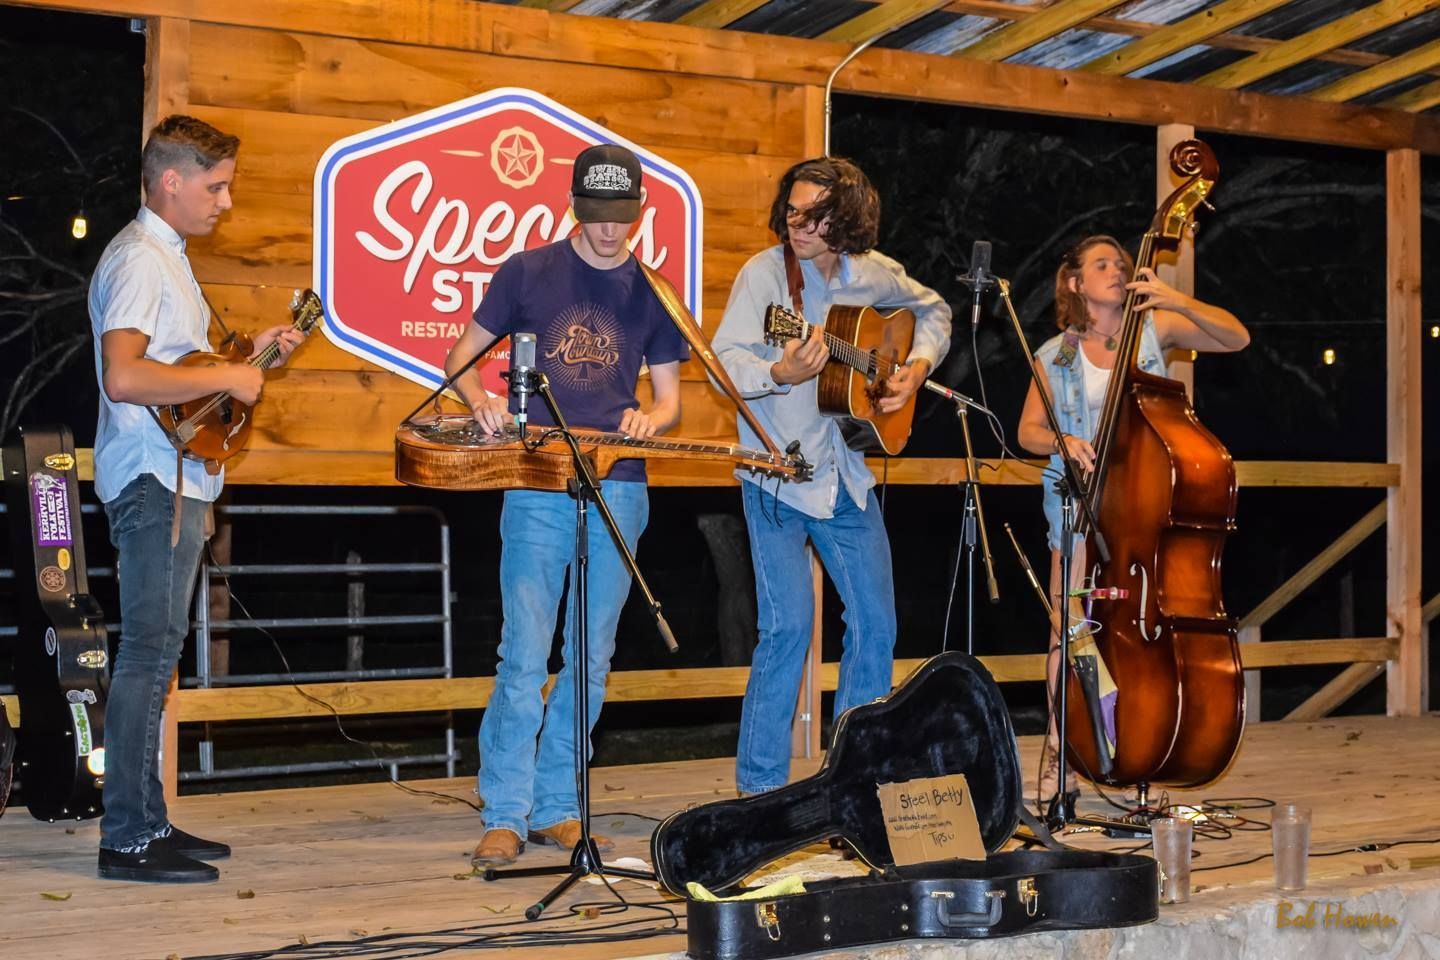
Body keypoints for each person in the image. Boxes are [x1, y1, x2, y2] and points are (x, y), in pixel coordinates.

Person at [447, 144, 688, 866]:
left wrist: (650, 417)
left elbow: (670, 401)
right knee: (523, 651)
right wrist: (482, 402)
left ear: (639, 211)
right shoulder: (529, 271)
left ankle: (558, 806)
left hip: (620, 482)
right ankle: (505, 811)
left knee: (591, 654)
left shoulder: (654, 291)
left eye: (622, 216)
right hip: (536, 481)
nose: (609, 231)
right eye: (596, 215)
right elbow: (459, 359)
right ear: (575, 206)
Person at [91, 115, 302, 882]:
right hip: (153, 480)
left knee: (159, 653)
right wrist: (228, 376)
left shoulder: (169, 259)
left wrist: (248, 358)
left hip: (176, 478)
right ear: (171, 181)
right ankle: (126, 838)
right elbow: (124, 377)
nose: (226, 202)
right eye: (216, 187)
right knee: (147, 653)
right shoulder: (140, 259)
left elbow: (180, 370)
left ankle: (148, 822)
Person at [711, 157, 952, 797]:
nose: (797, 224)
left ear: (845, 219)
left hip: (845, 473)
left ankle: (851, 783)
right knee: (787, 628)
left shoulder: (871, 274)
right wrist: (780, 373)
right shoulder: (765, 276)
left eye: (813, 215)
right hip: (776, 473)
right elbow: (722, 363)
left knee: (876, 624)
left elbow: (934, 311)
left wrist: (914, 369)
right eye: (792, 211)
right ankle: (760, 793)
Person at [1016, 234, 1250, 809]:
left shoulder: (1151, 331)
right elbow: (1027, 433)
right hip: (1080, 507)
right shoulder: (1056, 354)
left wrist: (1176, 299)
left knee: (1144, 631)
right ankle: (1063, 749)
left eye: (1120, 263)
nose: (1117, 270)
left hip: (1145, 508)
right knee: (1069, 629)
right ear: (1076, 282)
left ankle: (1146, 744)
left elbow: (1236, 337)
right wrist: (1063, 441)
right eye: (1102, 264)